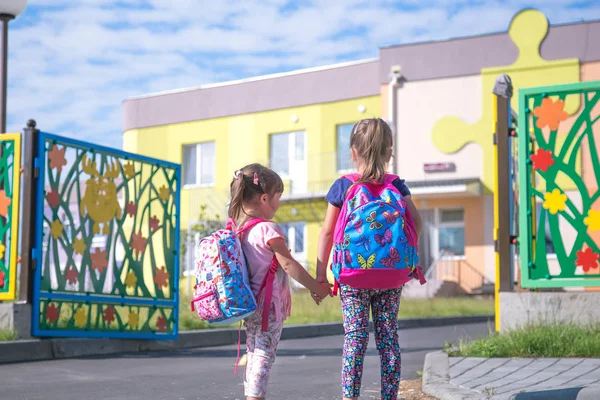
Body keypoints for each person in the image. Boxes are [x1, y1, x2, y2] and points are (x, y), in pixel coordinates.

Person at [315, 119, 423, 400]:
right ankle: (389, 396)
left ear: (353, 153)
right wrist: (405, 254)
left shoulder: (343, 185)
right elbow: (417, 222)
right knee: (388, 338)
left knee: (355, 338)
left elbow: (327, 232)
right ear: (389, 152)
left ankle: (350, 397)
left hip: (352, 275)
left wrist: (319, 276)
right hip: (392, 273)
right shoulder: (397, 185)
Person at [230, 163, 332, 400]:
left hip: (249, 303)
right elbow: (288, 264)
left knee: (254, 350)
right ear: (265, 198)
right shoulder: (269, 230)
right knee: (265, 352)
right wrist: (316, 287)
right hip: (270, 305)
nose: (279, 203)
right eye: (278, 197)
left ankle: (251, 394)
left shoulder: (241, 230)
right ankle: (255, 397)